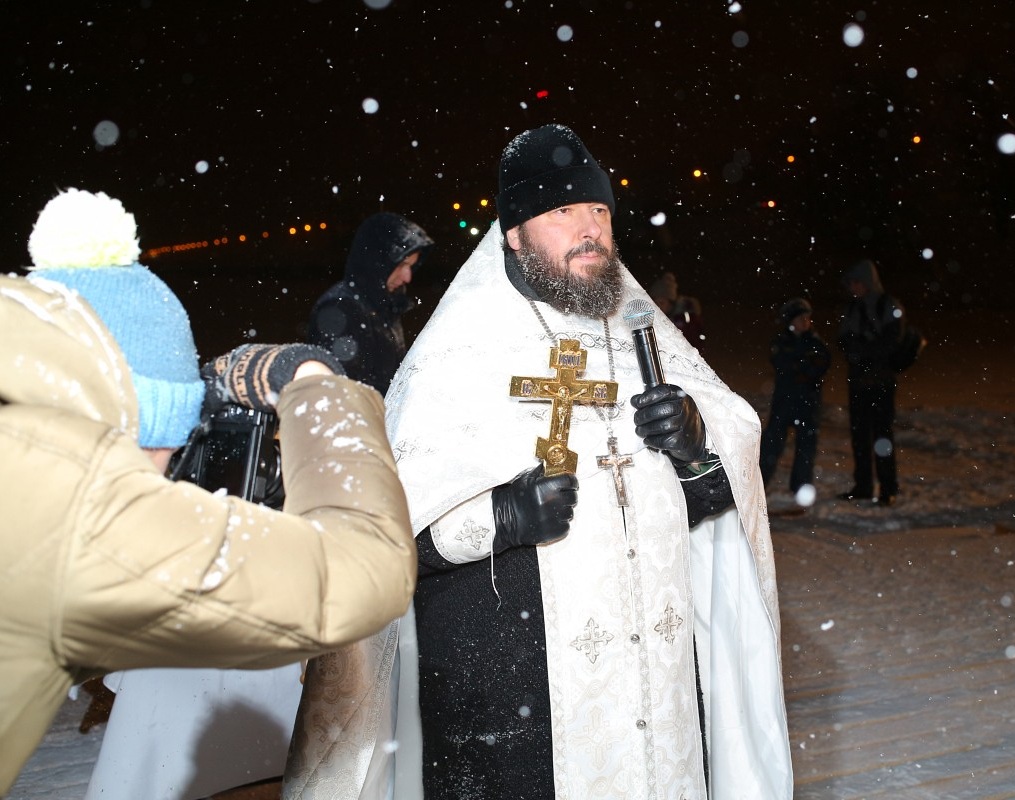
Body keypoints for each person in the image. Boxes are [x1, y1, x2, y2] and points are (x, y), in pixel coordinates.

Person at [285, 124, 792, 799]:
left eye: (599, 211)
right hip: (511, 710)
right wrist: (499, 515)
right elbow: (383, 535)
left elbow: (717, 509)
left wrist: (699, 450)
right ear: (515, 234)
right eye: (562, 212)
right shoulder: (456, 357)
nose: (589, 229)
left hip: (658, 689)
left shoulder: (645, 335)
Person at [0, 188, 417, 796]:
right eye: (167, 446)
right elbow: (366, 572)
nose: (163, 474)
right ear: (134, 425)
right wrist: (310, 382)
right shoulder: (80, 516)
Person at [307, 212, 434, 395]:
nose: (408, 277)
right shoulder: (339, 310)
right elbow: (342, 397)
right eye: (401, 265)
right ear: (377, 262)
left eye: (411, 266)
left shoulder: (384, 303)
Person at [836, 258, 905, 506]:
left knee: (882, 436)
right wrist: (859, 351)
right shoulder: (853, 309)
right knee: (860, 435)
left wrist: (864, 351)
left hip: (881, 381)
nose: (852, 288)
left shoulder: (888, 306)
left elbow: (891, 341)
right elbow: (843, 340)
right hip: (858, 381)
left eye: (856, 283)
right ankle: (863, 485)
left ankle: (888, 488)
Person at [758, 297, 832, 503]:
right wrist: (802, 366)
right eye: (801, 318)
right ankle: (758, 484)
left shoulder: (815, 342)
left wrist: (805, 368)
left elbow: (822, 363)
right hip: (785, 401)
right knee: (772, 444)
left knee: (806, 448)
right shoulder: (782, 341)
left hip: (808, 402)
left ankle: (800, 487)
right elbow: (783, 363)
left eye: (808, 318)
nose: (806, 322)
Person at [647, 270, 706, 353]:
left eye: (662, 302)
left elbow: (695, 343)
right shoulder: (652, 317)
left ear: (670, 303)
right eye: (655, 302)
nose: (658, 306)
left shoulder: (686, 318)